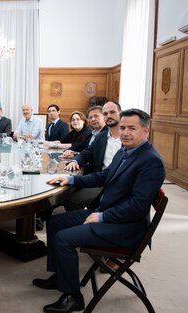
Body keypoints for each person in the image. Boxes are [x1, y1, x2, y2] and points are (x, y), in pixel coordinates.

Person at [33, 109, 165, 313]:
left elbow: (137, 206)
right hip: (108, 212)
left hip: (125, 227)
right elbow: (103, 176)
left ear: (146, 131)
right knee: (55, 222)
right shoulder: (125, 150)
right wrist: (72, 179)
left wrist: (103, 216)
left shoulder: (151, 161)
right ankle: (61, 276)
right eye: (122, 128)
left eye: (132, 128)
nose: (125, 133)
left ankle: (73, 297)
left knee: (63, 238)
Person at [62, 101, 122, 212]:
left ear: (120, 113)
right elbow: (87, 152)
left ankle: (84, 223)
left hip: (115, 183)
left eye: (112, 112)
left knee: (71, 200)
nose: (108, 116)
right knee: (67, 190)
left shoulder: (127, 138)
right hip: (100, 178)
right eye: (105, 114)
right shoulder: (101, 136)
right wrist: (75, 161)